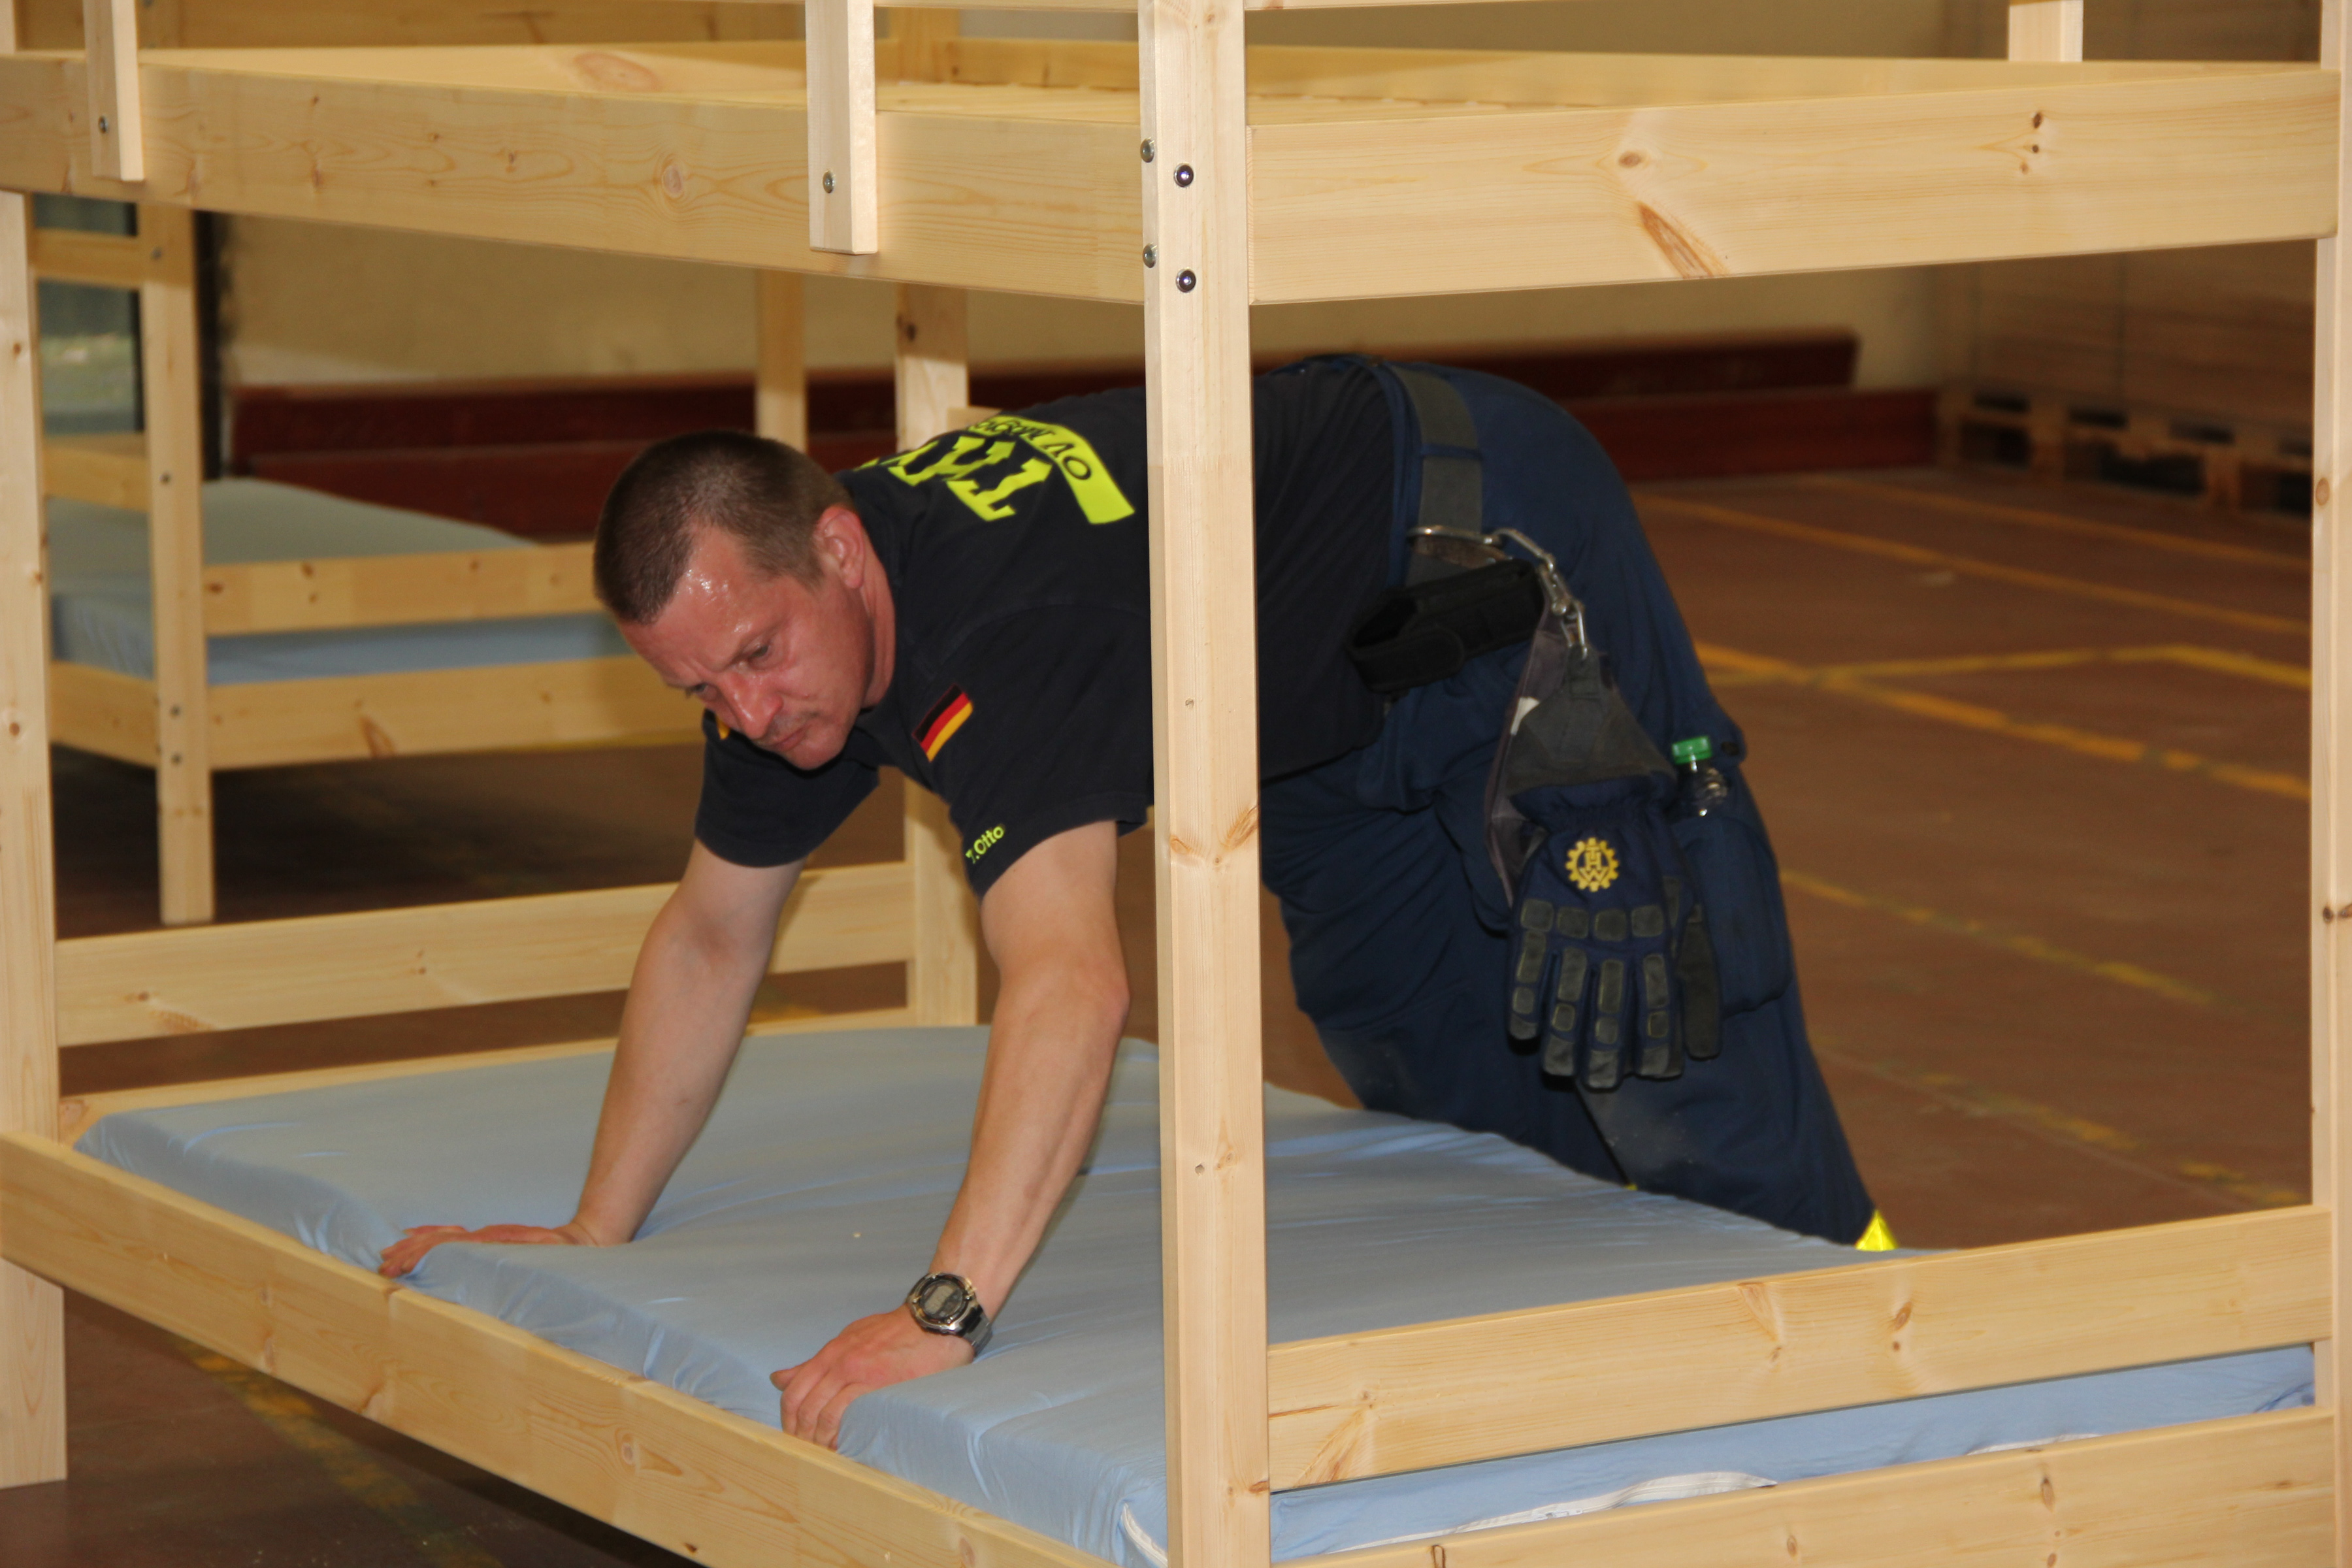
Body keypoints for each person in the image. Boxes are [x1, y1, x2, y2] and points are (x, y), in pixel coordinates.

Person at [377, 356, 1884, 1449]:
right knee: (1426, 1043)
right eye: (700, 690)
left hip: (1481, 536)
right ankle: (1605, 1442)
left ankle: (1879, 1372)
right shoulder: (778, 657)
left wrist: (946, 1311)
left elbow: (1072, 982)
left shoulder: (1004, 636)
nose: (749, 715)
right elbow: (714, 932)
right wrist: (595, 1226)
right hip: (1302, 669)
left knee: (1652, 1015)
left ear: (838, 548)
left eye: (758, 658)